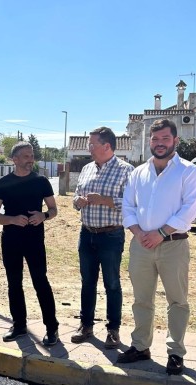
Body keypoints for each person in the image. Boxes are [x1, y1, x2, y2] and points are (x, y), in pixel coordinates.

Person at [118, 118, 196, 375]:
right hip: (141, 245)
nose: (160, 143)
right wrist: (139, 232)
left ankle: (175, 352)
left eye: (165, 138)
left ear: (175, 141)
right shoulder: (138, 172)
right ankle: (141, 346)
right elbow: (128, 206)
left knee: (177, 301)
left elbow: (190, 210)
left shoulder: (188, 171)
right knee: (141, 300)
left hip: (173, 246)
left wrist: (161, 233)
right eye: (155, 139)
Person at [0, 142, 60, 346]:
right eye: (27, 156)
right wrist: (11, 219)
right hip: (11, 241)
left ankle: (51, 328)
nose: (31, 160)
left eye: (32, 156)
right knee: (14, 283)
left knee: (40, 282)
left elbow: (54, 210)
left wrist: (43, 215)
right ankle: (19, 325)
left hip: (34, 241)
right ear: (15, 159)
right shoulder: (3, 183)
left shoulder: (41, 182)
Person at [71, 127, 134, 349]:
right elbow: (75, 197)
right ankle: (86, 325)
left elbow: (130, 204)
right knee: (87, 283)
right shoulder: (87, 169)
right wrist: (78, 201)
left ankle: (113, 330)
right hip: (86, 233)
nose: (88, 148)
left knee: (112, 283)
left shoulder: (126, 170)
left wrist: (104, 200)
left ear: (106, 146)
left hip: (111, 234)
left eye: (91, 144)